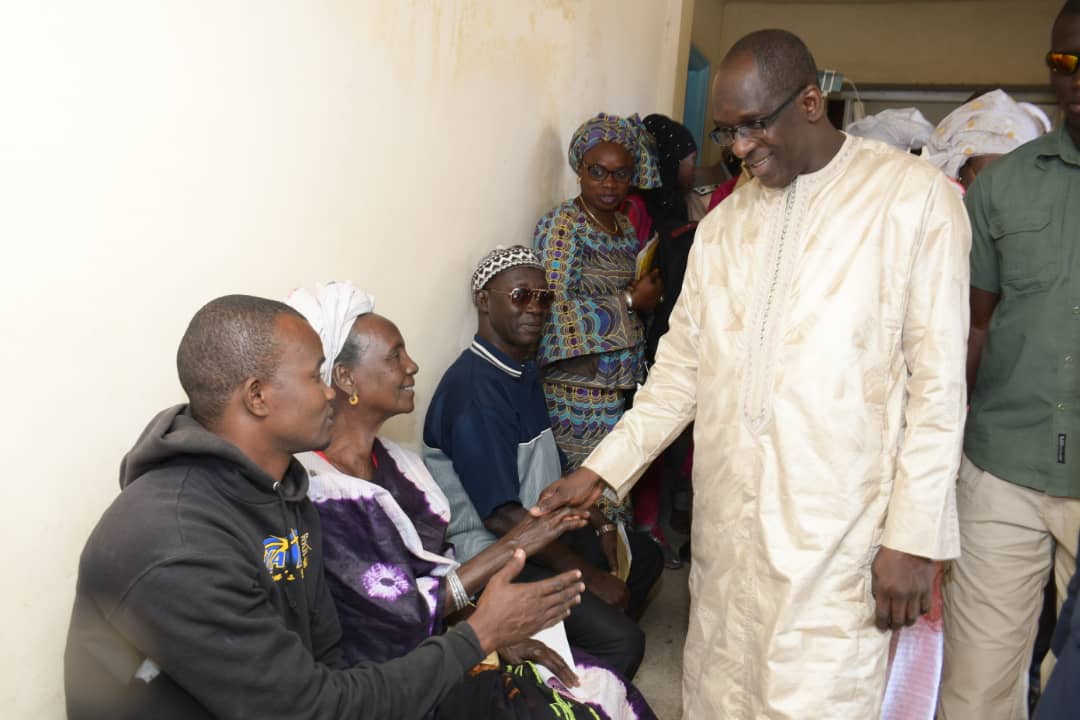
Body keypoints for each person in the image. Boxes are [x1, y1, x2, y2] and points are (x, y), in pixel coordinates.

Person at [530, 29, 971, 719]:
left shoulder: (911, 202)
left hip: (836, 538)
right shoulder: (724, 227)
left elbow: (939, 386)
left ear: (810, 102)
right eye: (727, 131)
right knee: (719, 694)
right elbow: (679, 374)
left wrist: (914, 539)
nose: (738, 148)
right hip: (728, 529)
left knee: (814, 699)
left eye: (753, 126)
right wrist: (602, 470)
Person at [63, 294, 585, 720]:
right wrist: (476, 637)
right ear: (258, 396)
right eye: (316, 376)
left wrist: (474, 649)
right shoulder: (176, 545)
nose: (332, 393)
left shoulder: (284, 490)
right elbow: (308, 710)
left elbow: (331, 660)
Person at [286, 280, 653, 718]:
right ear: (346, 377)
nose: (412, 366)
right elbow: (397, 613)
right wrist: (512, 561)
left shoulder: (398, 465)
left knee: (600, 681)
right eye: (395, 356)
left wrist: (492, 635)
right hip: (390, 682)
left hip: (449, 640)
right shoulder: (321, 494)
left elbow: (436, 570)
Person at [423, 247, 663, 681]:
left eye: (544, 297)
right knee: (623, 641)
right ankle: (565, 689)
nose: (535, 308)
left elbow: (543, 477)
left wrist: (599, 521)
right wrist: (587, 575)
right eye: (520, 296)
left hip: (537, 531)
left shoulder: (520, 370)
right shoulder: (475, 391)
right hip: (496, 555)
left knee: (643, 555)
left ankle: (578, 655)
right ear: (484, 300)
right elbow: (502, 519)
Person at [939, 4, 1080, 718]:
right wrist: (939, 456)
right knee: (976, 690)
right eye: (1064, 62)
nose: (1076, 77)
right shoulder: (1004, 185)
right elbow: (973, 327)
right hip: (1002, 471)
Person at [532, 112, 663, 537]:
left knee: (613, 489)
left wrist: (643, 293)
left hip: (617, 386)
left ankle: (616, 569)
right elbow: (551, 311)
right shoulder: (563, 226)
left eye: (620, 174)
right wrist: (630, 301)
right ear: (580, 170)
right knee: (591, 501)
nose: (609, 184)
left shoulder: (623, 225)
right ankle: (593, 572)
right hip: (576, 391)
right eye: (597, 172)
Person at [921, 89, 1051, 190]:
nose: (999, 190)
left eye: (1012, 176)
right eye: (988, 177)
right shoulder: (934, 209)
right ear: (960, 171)